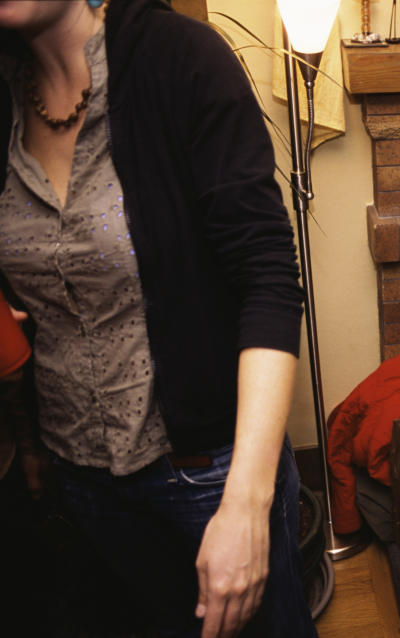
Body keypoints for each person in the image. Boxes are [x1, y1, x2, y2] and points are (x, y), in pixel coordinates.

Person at [0, 1, 316, 637]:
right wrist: (28, 438)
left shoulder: (181, 59)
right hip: (79, 479)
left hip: (208, 474)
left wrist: (247, 507)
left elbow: (268, 280)